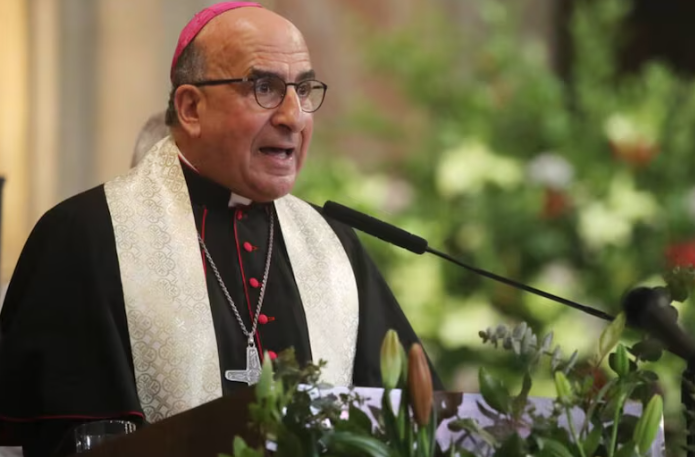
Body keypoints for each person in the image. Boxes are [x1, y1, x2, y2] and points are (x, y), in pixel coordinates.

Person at [0, 3, 442, 456]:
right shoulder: (86, 236)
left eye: (303, 89)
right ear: (191, 107)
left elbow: (416, 426)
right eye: (265, 87)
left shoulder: (333, 246)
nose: (293, 116)